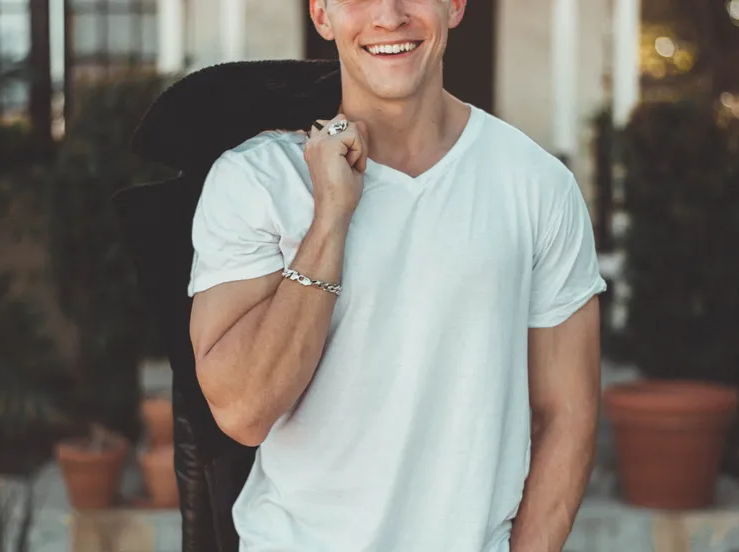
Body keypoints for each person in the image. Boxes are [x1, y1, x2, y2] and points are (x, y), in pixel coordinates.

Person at [186, 0, 607, 550]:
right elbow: (243, 412)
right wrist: (330, 219)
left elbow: (567, 416)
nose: (388, 16)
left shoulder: (537, 186)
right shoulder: (257, 180)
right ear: (321, 15)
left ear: (455, 5)